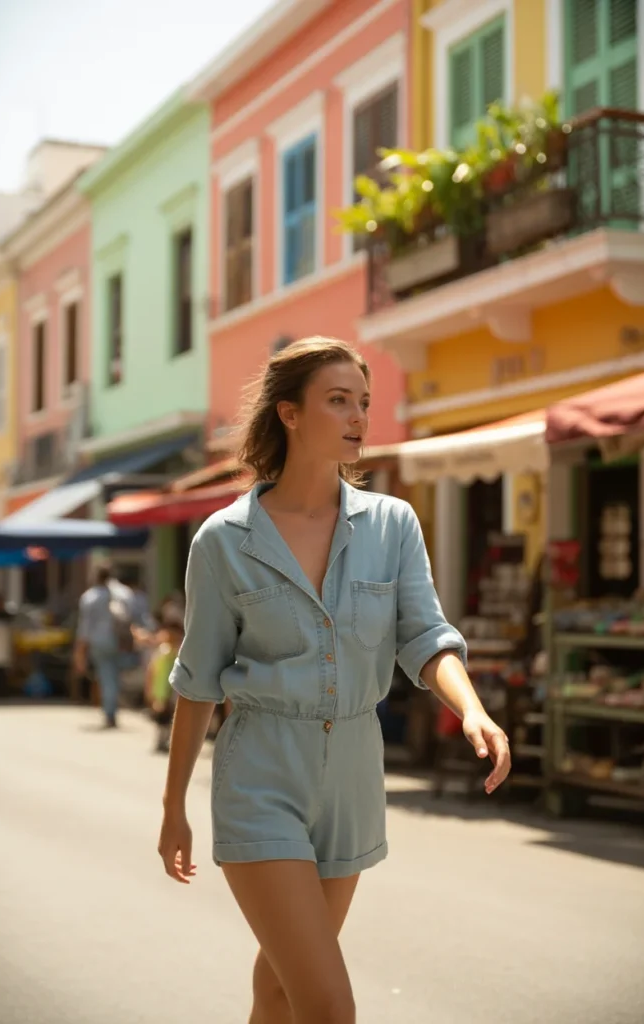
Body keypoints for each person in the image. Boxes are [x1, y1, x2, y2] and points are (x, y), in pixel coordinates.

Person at [157, 338, 511, 1024]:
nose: (358, 417)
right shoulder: (224, 541)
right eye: (338, 401)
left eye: (364, 403)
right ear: (289, 414)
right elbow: (197, 680)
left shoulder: (392, 523)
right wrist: (173, 805)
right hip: (261, 772)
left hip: (353, 771)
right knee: (327, 1005)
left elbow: (424, 635)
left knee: (281, 990)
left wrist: (470, 708)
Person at [74, 564, 132, 729]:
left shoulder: (90, 597)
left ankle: (110, 712)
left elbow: (84, 627)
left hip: (99, 641)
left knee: (107, 676)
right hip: (120, 640)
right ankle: (113, 706)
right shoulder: (123, 593)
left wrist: (80, 651)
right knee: (115, 675)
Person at [145, 612, 184, 753]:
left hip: (172, 691)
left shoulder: (178, 653)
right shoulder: (162, 652)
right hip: (160, 690)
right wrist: (149, 690)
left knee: (169, 717)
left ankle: (166, 740)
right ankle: (161, 740)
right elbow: (152, 671)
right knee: (161, 718)